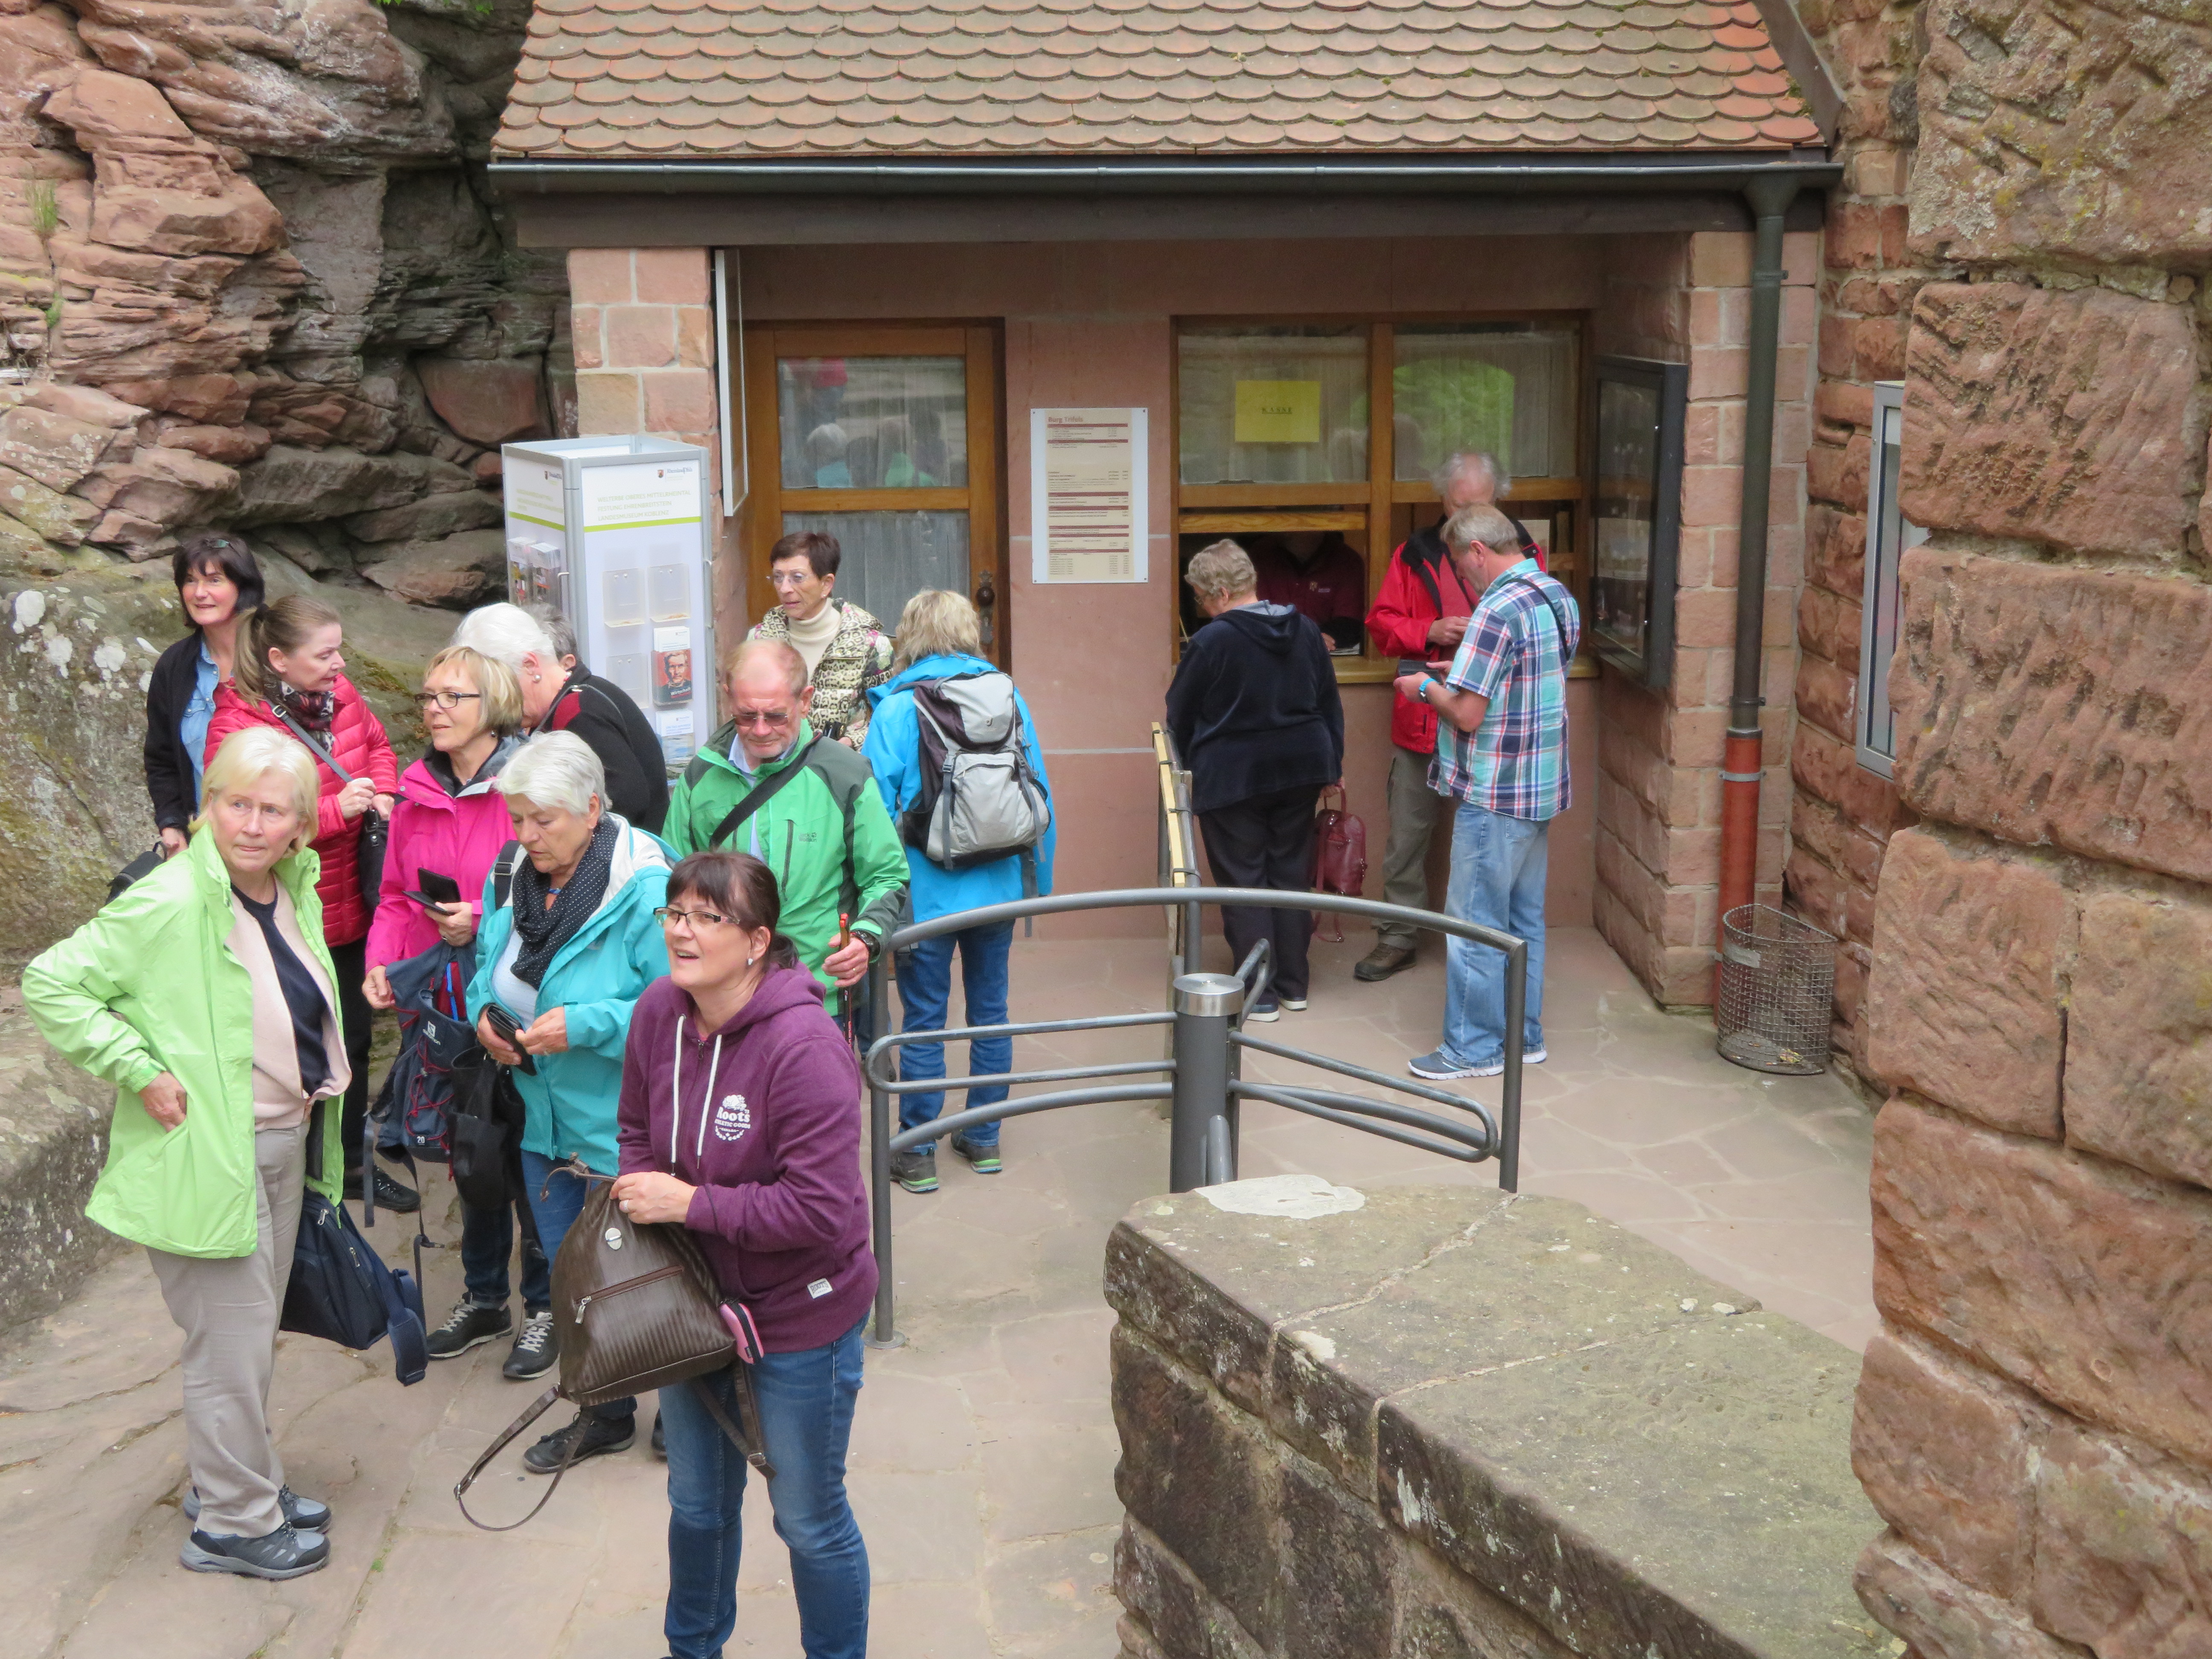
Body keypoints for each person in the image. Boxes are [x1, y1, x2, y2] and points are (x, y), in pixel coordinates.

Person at [26, 728, 344, 1579]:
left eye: (271, 809)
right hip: (209, 1150)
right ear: (206, 810)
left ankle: (235, 1481)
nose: (250, 823)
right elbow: (52, 982)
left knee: (248, 1340)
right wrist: (138, 1069)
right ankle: (233, 1526)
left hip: (278, 1141)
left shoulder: (288, 891)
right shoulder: (169, 900)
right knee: (229, 1345)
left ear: (299, 827)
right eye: (234, 803)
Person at [613, 850, 874, 1659]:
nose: (682, 932)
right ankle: (691, 1649)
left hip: (800, 1317)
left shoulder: (805, 1046)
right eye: (674, 913)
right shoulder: (660, 1010)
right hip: (693, 1308)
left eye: (705, 917)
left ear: (757, 940)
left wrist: (692, 1204)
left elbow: (822, 1209)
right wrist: (644, 1196)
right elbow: (633, 1131)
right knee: (695, 1503)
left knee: (806, 1516)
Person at [466, 732, 673, 1472]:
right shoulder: (523, 872)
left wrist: (586, 1024)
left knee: (650, 1278)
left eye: (540, 819)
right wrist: (485, 1020)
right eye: (516, 818)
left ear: (591, 808)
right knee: (573, 1278)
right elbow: (486, 969)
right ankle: (605, 1411)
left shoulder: (647, 886)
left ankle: (684, 1414)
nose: (524, 836)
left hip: (623, 1125)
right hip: (542, 1122)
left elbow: (677, 1002)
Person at [362, 644, 553, 1381]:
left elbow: (564, 883)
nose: (434, 707)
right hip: (442, 1007)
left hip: (516, 1003)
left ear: (494, 707)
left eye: (452, 696)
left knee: (527, 1159)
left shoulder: (530, 785)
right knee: (470, 1154)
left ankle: (543, 1306)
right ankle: (484, 1299)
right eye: (428, 695)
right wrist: (385, 962)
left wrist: (487, 919)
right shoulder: (413, 793)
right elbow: (394, 898)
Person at [205, 596, 408, 1214]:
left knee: (351, 1034)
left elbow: (378, 748)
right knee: (293, 1046)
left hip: (351, 904)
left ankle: (346, 1168)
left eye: (338, 649)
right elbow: (238, 826)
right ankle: (295, 1181)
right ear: (278, 660)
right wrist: (334, 812)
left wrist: (384, 794)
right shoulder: (236, 727)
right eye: (324, 653)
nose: (339, 663)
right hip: (285, 917)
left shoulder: (341, 695)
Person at [862, 591, 1054, 1194]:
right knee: (990, 1011)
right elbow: (1039, 790)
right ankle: (984, 1137)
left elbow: (872, 811)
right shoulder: (1008, 695)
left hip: (926, 893)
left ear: (910, 636)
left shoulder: (897, 709)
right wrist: (1036, 887)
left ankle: (917, 1150)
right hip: (997, 885)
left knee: (924, 1018)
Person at [1395, 503, 1579, 1081]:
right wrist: (1460, 674)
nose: (1462, 579)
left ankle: (1471, 1051)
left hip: (1494, 793)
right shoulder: (1556, 596)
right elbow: (1527, 681)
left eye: (1460, 565)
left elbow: (1470, 716)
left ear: (1478, 551)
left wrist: (1425, 686)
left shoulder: (1496, 610)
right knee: (1523, 924)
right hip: (1540, 787)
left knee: (1475, 925)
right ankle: (1523, 1038)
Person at [1359, 451, 1547, 983]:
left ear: (1499, 503)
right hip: (1423, 717)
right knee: (1408, 837)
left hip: (1493, 725)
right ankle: (1398, 937)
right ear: (1442, 501)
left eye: (1479, 506)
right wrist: (1430, 631)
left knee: (1491, 844)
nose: (1465, 520)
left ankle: (1488, 949)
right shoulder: (1416, 553)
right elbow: (1381, 623)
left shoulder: (1524, 553)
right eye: (1458, 506)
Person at [662, 640, 907, 1022]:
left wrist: (865, 938)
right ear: (728, 699)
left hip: (815, 993)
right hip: (721, 996)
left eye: (776, 716)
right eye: (746, 716)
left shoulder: (844, 774)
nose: (760, 730)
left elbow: (886, 875)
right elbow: (673, 878)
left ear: (805, 700)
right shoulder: (701, 775)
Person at [1167, 540, 1344, 1022]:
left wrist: (1187, 764)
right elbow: (1329, 702)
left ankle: (1259, 993)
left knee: (1243, 879)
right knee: (1289, 875)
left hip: (1233, 774)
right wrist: (1333, 764)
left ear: (1221, 592)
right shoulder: (1305, 629)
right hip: (1302, 768)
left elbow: (1178, 713)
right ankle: (1294, 984)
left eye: (1202, 598)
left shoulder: (1212, 641)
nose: (1202, 608)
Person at [451, 602, 669, 833]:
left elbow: (627, 804)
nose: (496, 703)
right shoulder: (578, 696)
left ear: (530, 665)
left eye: (499, 688)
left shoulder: (580, 713)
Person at [145, 532, 263, 856]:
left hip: (279, 842)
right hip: (206, 843)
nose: (199, 593)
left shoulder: (280, 652)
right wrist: (171, 824)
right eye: (190, 581)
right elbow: (162, 757)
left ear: (243, 586)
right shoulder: (175, 666)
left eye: (214, 580)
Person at [746, 532, 892, 748]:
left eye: (797, 578)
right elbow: (744, 710)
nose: (785, 588)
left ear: (826, 584)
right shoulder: (760, 641)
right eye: (778, 577)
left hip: (843, 771)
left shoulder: (869, 644)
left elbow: (888, 718)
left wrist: (853, 741)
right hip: (776, 769)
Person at [1252, 530, 1366, 652]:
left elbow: (1349, 622)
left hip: (1325, 654)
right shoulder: (1258, 557)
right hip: (1269, 650)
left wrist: (1317, 638)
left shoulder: (1347, 561)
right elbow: (1250, 617)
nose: (1287, 532)